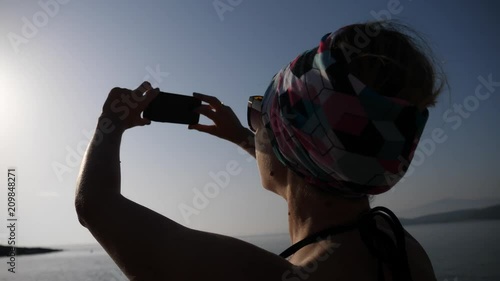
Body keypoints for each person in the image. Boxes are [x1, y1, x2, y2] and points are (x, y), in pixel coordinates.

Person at [75, 20, 446, 281]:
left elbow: (95, 206)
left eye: (259, 116)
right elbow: (316, 164)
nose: (254, 128)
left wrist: (109, 125)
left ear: (289, 146)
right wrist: (242, 134)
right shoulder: (396, 245)